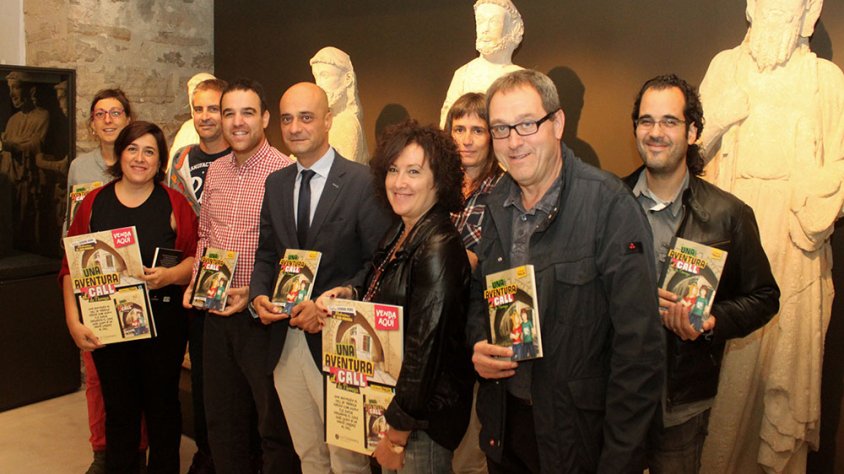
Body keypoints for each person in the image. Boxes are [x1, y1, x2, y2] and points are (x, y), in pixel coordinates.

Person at [467, 69, 664, 473]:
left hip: (579, 440)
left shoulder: (610, 206)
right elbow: (478, 295)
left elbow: (640, 351)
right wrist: (478, 342)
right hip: (506, 429)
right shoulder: (496, 202)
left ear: (557, 123)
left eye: (527, 124)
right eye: (501, 128)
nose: (514, 142)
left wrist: (620, 461)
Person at [622, 74, 780, 473]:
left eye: (669, 121)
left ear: (692, 131)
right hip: (613, 399)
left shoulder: (729, 214)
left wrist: (712, 321)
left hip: (681, 407)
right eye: (646, 120)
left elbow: (764, 297)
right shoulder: (608, 203)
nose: (656, 132)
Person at [250, 82, 391, 474]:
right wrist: (259, 295)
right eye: (287, 119)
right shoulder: (276, 183)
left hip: (341, 341)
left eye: (306, 117)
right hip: (285, 341)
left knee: (348, 459)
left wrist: (331, 305)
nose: (295, 127)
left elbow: (379, 264)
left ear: (328, 120)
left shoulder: (363, 182)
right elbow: (267, 253)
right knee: (309, 454)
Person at [317, 120, 473, 473]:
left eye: (414, 171)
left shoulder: (438, 246)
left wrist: (398, 433)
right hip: (394, 406)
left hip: (421, 422)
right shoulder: (401, 230)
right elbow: (384, 287)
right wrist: (349, 293)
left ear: (439, 180)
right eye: (393, 169)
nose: (399, 182)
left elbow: (425, 350)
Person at [61, 121, 198, 473]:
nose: (140, 158)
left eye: (149, 151)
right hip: (109, 329)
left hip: (164, 327)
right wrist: (74, 321)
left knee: (163, 411)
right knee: (119, 412)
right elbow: (70, 267)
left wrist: (169, 276)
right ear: (120, 154)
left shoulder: (175, 204)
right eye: (132, 149)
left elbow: (195, 260)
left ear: (160, 161)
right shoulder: (94, 203)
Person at [182, 79, 299, 474]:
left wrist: (255, 291)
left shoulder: (284, 172)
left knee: (272, 426)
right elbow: (205, 235)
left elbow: (292, 252)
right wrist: (196, 279)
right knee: (222, 421)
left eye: (247, 112)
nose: (236, 122)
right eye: (228, 112)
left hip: (261, 319)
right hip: (215, 315)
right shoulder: (215, 171)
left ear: (264, 118)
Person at [62, 88, 140, 474]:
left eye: (116, 112)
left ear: (128, 118)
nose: (108, 120)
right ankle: (102, 451)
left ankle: (138, 449)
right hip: (93, 284)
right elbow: (70, 227)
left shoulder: (140, 162)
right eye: (100, 114)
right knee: (95, 377)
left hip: (132, 284)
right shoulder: (80, 168)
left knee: (136, 376)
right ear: (91, 124)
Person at [164, 77, 231, 474]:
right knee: (203, 379)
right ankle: (207, 453)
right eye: (198, 108)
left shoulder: (241, 156)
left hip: (233, 285)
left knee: (233, 382)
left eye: (214, 108)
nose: (205, 116)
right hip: (189, 282)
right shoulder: (181, 160)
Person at [444, 91, 504, 474]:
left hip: (476, 327)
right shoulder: (440, 185)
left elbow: (475, 262)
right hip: (439, 330)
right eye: (459, 128)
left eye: (477, 130)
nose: (466, 139)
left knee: (470, 453)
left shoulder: (502, 190)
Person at [439, 0, 524, 127]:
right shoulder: (463, 74)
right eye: (481, 22)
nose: (485, 29)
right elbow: (447, 122)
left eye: (494, 22)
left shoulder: (521, 77)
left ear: (510, 28)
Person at [310, 46, 369, 164]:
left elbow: (342, 172)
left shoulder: (348, 125)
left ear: (348, 79)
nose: (319, 85)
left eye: (325, 75)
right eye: (316, 77)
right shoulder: (327, 122)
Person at [169, 72, 216, 166]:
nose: (205, 116)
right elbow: (173, 165)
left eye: (212, 109)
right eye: (198, 109)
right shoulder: (187, 128)